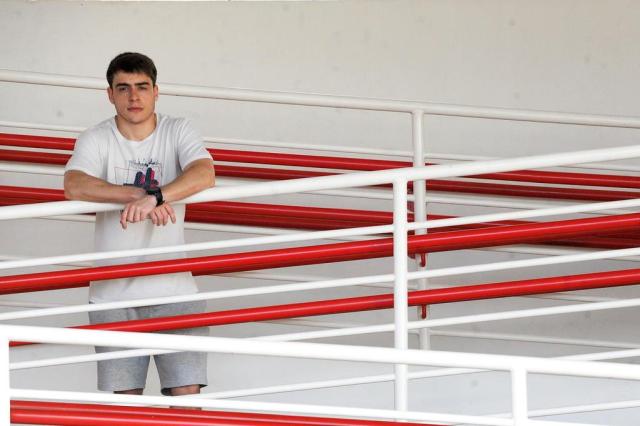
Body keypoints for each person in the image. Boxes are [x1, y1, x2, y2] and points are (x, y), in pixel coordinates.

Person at [64, 52, 215, 397]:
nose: (134, 97)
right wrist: (137, 193)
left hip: (174, 291)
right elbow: (74, 184)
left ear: (156, 91)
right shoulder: (97, 137)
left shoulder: (178, 129)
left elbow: (205, 173)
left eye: (142, 87)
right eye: (124, 88)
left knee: (187, 402)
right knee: (124, 408)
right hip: (113, 297)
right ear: (110, 94)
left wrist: (157, 197)